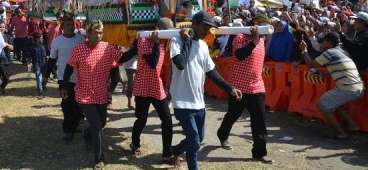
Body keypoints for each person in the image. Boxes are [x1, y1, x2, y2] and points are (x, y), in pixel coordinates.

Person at [169, 11, 242, 170]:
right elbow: (180, 63)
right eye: (205, 26)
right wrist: (187, 41)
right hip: (182, 101)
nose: (208, 31)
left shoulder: (203, 45)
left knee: (198, 138)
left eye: (210, 28)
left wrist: (230, 88)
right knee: (194, 141)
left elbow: (212, 73)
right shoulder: (177, 41)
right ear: (194, 23)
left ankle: (175, 150)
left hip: (199, 102)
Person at [61, 21, 123, 170]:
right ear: (88, 34)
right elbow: (69, 67)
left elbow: (122, 58)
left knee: (101, 124)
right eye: (95, 32)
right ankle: (99, 158)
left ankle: (87, 135)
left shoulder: (107, 47)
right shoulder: (79, 49)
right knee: (97, 125)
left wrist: (136, 45)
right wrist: (64, 85)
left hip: (101, 93)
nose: (99, 35)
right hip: (84, 94)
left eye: (101, 32)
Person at [216, 13, 274, 164]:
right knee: (233, 115)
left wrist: (258, 39)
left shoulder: (262, 39)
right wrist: (254, 40)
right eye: (262, 25)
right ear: (254, 24)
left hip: (257, 86)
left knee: (259, 120)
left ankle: (259, 152)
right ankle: (223, 135)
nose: (265, 30)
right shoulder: (240, 36)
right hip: (238, 86)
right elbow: (240, 55)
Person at [121, 17, 176, 164]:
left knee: (167, 120)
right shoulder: (145, 41)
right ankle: (135, 143)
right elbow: (152, 63)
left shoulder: (163, 43)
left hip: (156, 87)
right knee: (142, 119)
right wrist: (157, 43)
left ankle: (166, 154)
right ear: (157, 30)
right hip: (143, 87)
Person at [299, 32, 365, 139]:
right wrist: (323, 74)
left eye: (323, 41)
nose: (322, 43)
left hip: (348, 89)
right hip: (358, 88)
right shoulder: (343, 52)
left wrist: (304, 50)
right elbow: (340, 71)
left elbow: (310, 64)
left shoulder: (330, 52)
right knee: (335, 104)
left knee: (322, 104)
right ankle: (353, 126)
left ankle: (341, 133)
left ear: (329, 42)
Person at [43, 17, 86, 141]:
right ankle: (68, 130)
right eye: (67, 25)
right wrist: (46, 76)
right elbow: (51, 60)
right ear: (61, 28)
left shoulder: (81, 40)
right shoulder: (57, 42)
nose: (70, 27)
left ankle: (77, 122)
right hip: (64, 79)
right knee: (67, 104)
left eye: (71, 25)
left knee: (79, 104)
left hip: (80, 78)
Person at [0, 20, 14, 94]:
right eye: (0, 27)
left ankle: (1, 87)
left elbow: (12, 48)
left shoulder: (7, 37)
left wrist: (6, 45)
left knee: (6, 77)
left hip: (5, 60)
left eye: (3, 27)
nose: (2, 29)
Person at [31, 32, 47, 99]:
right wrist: (29, 63)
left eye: (42, 38)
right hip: (36, 64)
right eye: (41, 38)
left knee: (44, 78)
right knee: (38, 78)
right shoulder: (32, 47)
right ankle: (40, 94)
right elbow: (29, 56)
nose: (42, 39)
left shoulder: (44, 46)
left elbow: (49, 54)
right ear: (37, 39)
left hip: (44, 64)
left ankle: (43, 85)